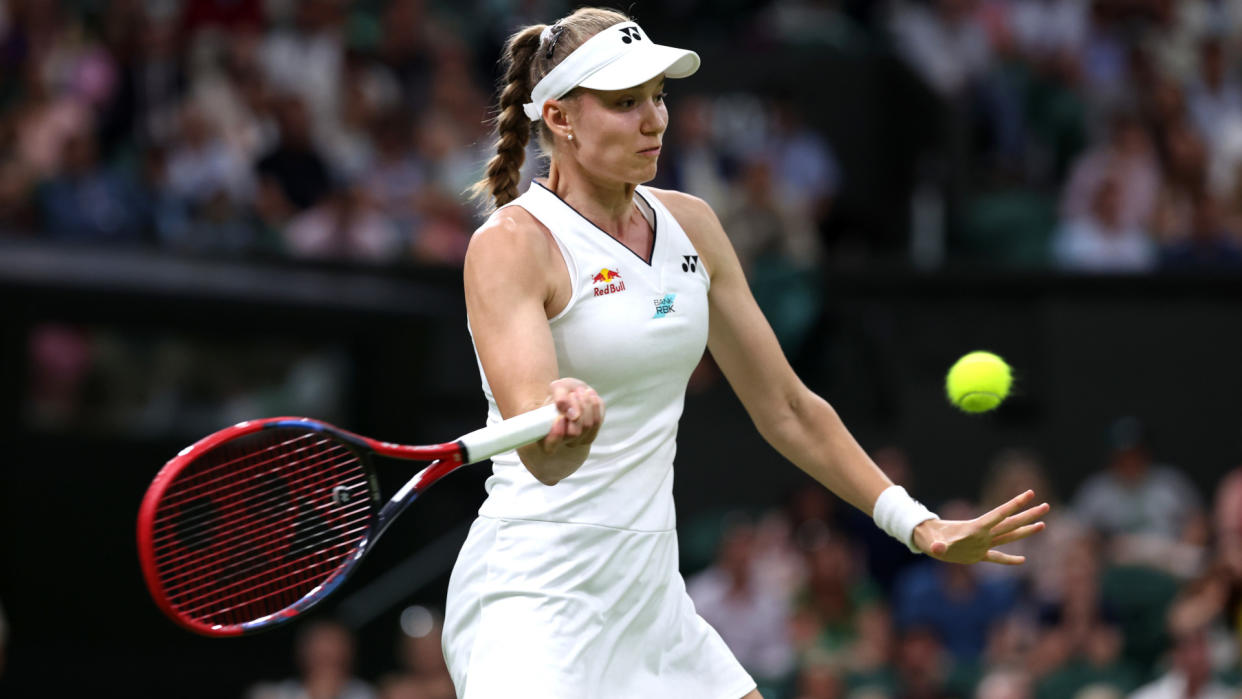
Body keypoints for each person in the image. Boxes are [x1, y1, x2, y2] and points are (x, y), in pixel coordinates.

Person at [442, 8, 1050, 699]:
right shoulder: (511, 245)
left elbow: (787, 406)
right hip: (533, 604)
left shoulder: (691, 225)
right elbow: (543, 458)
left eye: (658, 96)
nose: (655, 120)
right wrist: (568, 423)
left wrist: (918, 523)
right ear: (559, 117)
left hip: (649, 603)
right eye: (624, 103)